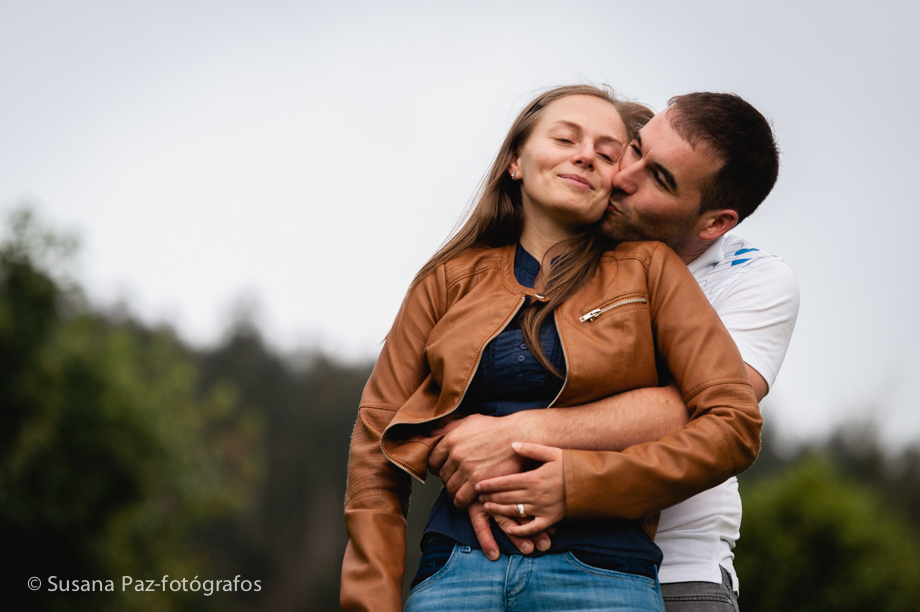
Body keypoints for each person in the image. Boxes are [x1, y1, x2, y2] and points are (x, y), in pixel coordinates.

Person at [340, 84, 763, 612]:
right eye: (565, 138)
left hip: (605, 577)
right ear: (516, 160)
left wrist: (578, 483)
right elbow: (374, 455)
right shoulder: (445, 282)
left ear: (615, 184)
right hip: (454, 574)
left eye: (609, 153)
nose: (586, 154)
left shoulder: (654, 270)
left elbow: (733, 425)